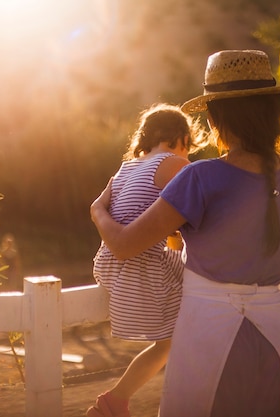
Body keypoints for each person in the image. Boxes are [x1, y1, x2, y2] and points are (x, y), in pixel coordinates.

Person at [90, 50, 280, 417]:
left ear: (216, 118)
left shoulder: (199, 178)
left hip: (209, 331)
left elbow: (122, 246)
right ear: (272, 113)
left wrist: (97, 211)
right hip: (273, 331)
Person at [87, 103, 206, 417]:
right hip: (143, 266)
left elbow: (120, 210)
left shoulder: (124, 169)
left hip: (111, 266)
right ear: (181, 138)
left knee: (168, 343)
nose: (189, 155)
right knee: (205, 304)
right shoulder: (174, 165)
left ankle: (116, 401)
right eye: (189, 147)